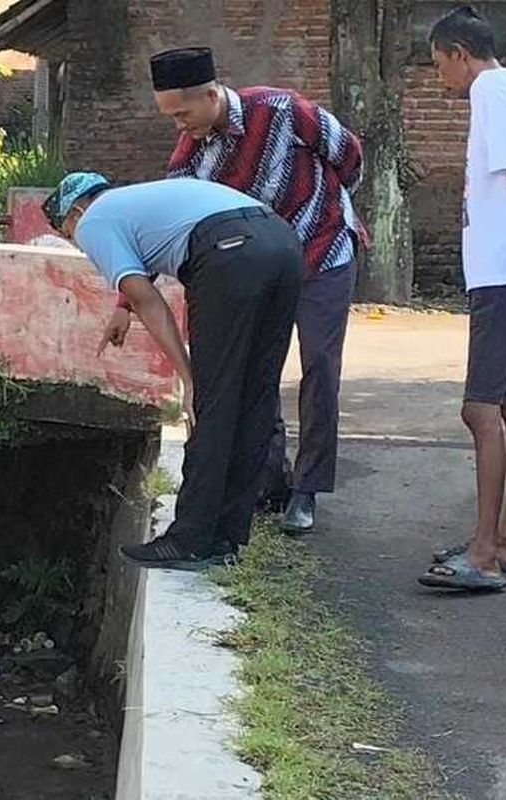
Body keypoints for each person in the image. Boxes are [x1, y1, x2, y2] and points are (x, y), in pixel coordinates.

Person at [107, 46, 365, 536]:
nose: (179, 126)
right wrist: (125, 303)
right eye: (171, 118)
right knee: (252, 370)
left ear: (211, 94)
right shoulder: (188, 157)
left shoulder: (285, 110)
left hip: (322, 250)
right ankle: (269, 480)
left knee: (320, 367)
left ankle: (308, 489)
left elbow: (348, 154)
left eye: (183, 113)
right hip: (254, 273)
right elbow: (169, 228)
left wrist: (329, 206)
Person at [44, 173, 302, 569]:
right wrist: (121, 309)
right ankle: (226, 536)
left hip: (228, 253)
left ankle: (189, 540)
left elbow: (148, 301)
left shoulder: (94, 221)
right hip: (281, 244)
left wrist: (188, 376)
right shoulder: (135, 201)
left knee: (212, 403)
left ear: (76, 211)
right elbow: (140, 272)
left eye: (68, 235)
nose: (80, 246)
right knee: (256, 394)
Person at [419, 6, 506, 592]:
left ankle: (482, 555)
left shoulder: (494, 91)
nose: (439, 79)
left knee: (480, 410)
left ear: (457, 52)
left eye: (438, 65)